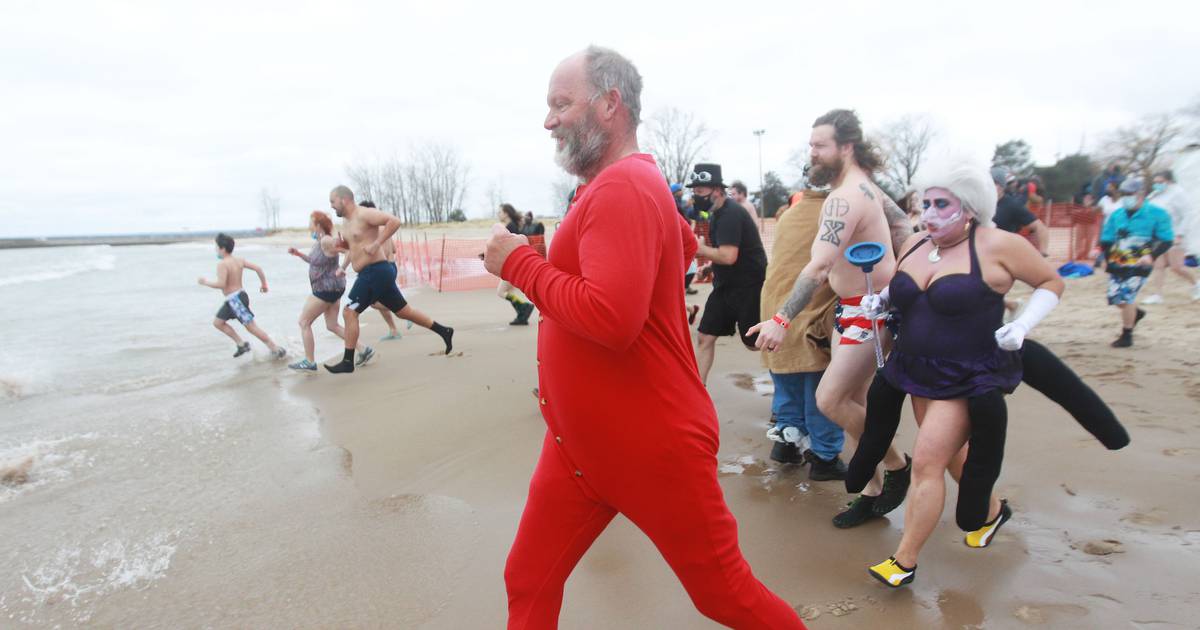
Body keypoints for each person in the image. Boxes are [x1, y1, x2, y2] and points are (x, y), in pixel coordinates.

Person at [484, 46, 804, 629]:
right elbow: (679, 244)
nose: (549, 120)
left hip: (650, 445)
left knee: (725, 595)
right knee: (528, 577)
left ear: (610, 104)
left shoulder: (624, 186)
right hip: (579, 446)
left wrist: (517, 264)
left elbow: (611, 318)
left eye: (561, 104)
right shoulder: (627, 182)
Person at [855, 159, 1064, 588]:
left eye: (940, 203)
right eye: (924, 202)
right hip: (914, 370)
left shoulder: (998, 244)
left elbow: (1051, 282)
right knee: (949, 455)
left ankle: (903, 560)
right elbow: (905, 291)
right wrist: (884, 303)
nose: (928, 212)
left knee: (927, 462)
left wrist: (1023, 324)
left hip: (966, 376)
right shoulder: (915, 243)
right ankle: (992, 510)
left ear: (968, 207)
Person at [747, 109, 913, 528]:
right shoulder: (868, 189)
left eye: (820, 146)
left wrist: (781, 319)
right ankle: (871, 495)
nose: (813, 154)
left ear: (846, 147)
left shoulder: (844, 198)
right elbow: (905, 230)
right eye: (811, 146)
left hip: (867, 314)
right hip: (854, 310)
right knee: (853, 405)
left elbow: (818, 267)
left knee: (830, 400)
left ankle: (896, 465)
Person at [760, 190, 846, 478]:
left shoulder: (789, 215)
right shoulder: (837, 212)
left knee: (786, 379)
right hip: (809, 309)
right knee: (819, 384)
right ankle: (824, 456)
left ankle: (786, 442)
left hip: (773, 308)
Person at [323, 186, 454, 373]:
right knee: (404, 312)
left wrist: (376, 243)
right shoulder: (346, 222)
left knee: (349, 312)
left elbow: (394, 221)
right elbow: (354, 245)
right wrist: (343, 246)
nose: (332, 206)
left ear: (344, 200)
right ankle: (444, 331)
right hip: (372, 273)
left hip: (375, 271)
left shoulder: (364, 213)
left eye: (333, 202)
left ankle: (348, 361)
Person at [690, 163, 769, 386]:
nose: (696, 196)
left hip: (748, 287)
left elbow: (728, 256)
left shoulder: (731, 214)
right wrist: (711, 267)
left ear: (716, 190)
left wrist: (701, 250)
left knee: (753, 343)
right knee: (705, 336)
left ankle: (786, 382)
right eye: (694, 192)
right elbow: (726, 256)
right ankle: (698, 392)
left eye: (700, 191)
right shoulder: (715, 214)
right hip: (724, 287)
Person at [285, 211, 373, 371]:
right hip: (334, 288)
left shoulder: (326, 240)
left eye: (310, 221)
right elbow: (314, 261)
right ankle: (363, 349)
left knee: (304, 322)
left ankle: (309, 361)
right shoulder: (320, 240)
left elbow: (348, 250)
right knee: (332, 325)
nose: (308, 224)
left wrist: (342, 267)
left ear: (318, 224)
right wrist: (298, 254)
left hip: (326, 289)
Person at [1099, 177, 1173, 348]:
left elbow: (1166, 239)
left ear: (1141, 194)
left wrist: (1152, 256)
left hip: (1141, 263)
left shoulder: (1157, 214)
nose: (1126, 197)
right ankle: (1134, 313)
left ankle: (1127, 335)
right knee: (1116, 299)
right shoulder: (1117, 215)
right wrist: (1107, 259)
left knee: (1126, 295)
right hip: (1118, 261)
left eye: (1130, 194)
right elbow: (1107, 239)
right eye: (1123, 194)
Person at [198, 233, 287, 360]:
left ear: (222, 248)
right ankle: (241, 344)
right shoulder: (239, 260)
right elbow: (258, 268)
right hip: (239, 296)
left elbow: (221, 284)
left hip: (235, 301)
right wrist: (264, 285)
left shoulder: (222, 264)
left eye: (216, 247)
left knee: (251, 327)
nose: (216, 250)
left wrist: (205, 282)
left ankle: (275, 348)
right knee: (218, 322)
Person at [1142, 170, 1200, 303]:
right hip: (1159, 236)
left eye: (1160, 182)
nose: (1157, 185)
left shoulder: (1178, 193)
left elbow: (1187, 214)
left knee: (1176, 267)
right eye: (1155, 182)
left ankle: (1196, 284)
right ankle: (1158, 295)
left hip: (1175, 234)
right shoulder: (1155, 195)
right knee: (1158, 265)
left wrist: (1180, 234)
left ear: (1169, 181)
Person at [354, 200, 404, 341]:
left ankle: (404, 312)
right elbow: (393, 249)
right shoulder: (383, 229)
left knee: (373, 302)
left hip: (382, 269)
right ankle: (394, 329)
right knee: (379, 300)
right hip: (391, 266)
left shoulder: (375, 230)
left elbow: (379, 251)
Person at [991, 168, 1050, 256]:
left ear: (1002, 186)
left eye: (995, 183)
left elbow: (1040, 228)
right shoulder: (978, 204)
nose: (990, 186)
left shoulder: (1012, 205)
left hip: (1004, 255)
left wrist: (1043, 253)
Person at [497, 203, 536, 325]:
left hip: (513, 265)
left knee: (501, 292)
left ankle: (524, 307)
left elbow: (510, 248)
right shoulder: (512, 226)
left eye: (500, 212)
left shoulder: (510, 227)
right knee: (507, 292)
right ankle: (522, 314)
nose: (499, 214)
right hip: (516, 264)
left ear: (506, 213)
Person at [1070, 192, 1103, 261]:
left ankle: (1087, 254)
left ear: (1092, 200)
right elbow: (1074, 215)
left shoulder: (1095, 208)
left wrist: (1089, 208)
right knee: (1078, 240)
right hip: (1080, 225)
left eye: (1089, 199)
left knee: (1089, 240)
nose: (1087, 200)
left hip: (1091, 225)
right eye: (1086, 198)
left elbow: (1097, 212)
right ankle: (1078, 254)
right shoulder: (1078, 207)